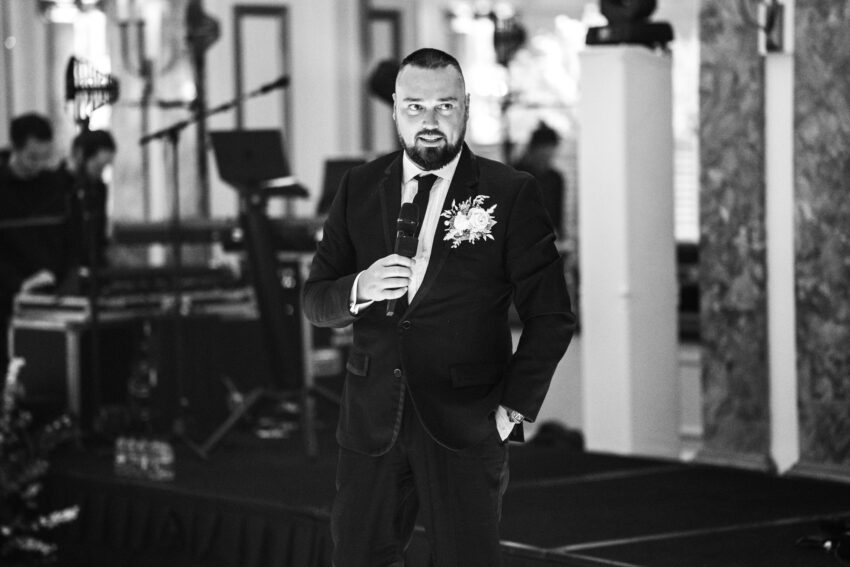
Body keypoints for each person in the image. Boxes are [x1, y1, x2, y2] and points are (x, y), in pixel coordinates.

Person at [302, 48, 576, 567]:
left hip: (468, 422)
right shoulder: (358, 187)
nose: (429, 121)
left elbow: (551, 315)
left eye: (444, 106)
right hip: (372, 419)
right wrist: (359, 286)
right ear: (395, 110)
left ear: (466, 108)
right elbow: (316, 299)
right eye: (415, 107)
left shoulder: (510, 192)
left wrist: (512, 410)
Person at [0, 113, 72, 370]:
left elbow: (67, 238)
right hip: (8, 295)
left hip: (53, 294)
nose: (39, 165)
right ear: (15, 150)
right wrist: (18, 283)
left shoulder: (54, 185)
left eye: (45, 156)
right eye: (32, 157)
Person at [65, 129, 117, 268]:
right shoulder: (64, 186)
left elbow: (99, 230)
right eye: (99, 167)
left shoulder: (99, 187)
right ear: (81, 156)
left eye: (106, 167)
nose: (101, 173)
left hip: (94, 264)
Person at [513, 121, 566, 238]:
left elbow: (558, 217)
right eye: (543, 154)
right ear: (533, 150)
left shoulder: (555, 178)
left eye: (550, 154)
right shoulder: (516, 175)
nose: (546, 159)